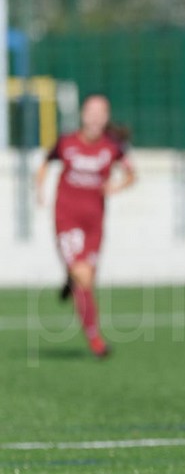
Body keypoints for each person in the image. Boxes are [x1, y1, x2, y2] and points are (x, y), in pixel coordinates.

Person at [34, 94, 136, 358]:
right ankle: (96, 342)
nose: (95, 117)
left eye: (100, 113)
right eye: (91, 112)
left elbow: (131, 174)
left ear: (106, 118)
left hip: (94, 224)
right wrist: (40, 190)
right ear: (83, 115)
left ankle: (72, 283)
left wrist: (116, 186)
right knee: (84, 276)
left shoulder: (112, 147)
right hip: (67, 219)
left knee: (86, 281)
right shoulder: (66, 142)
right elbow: (45, 163)